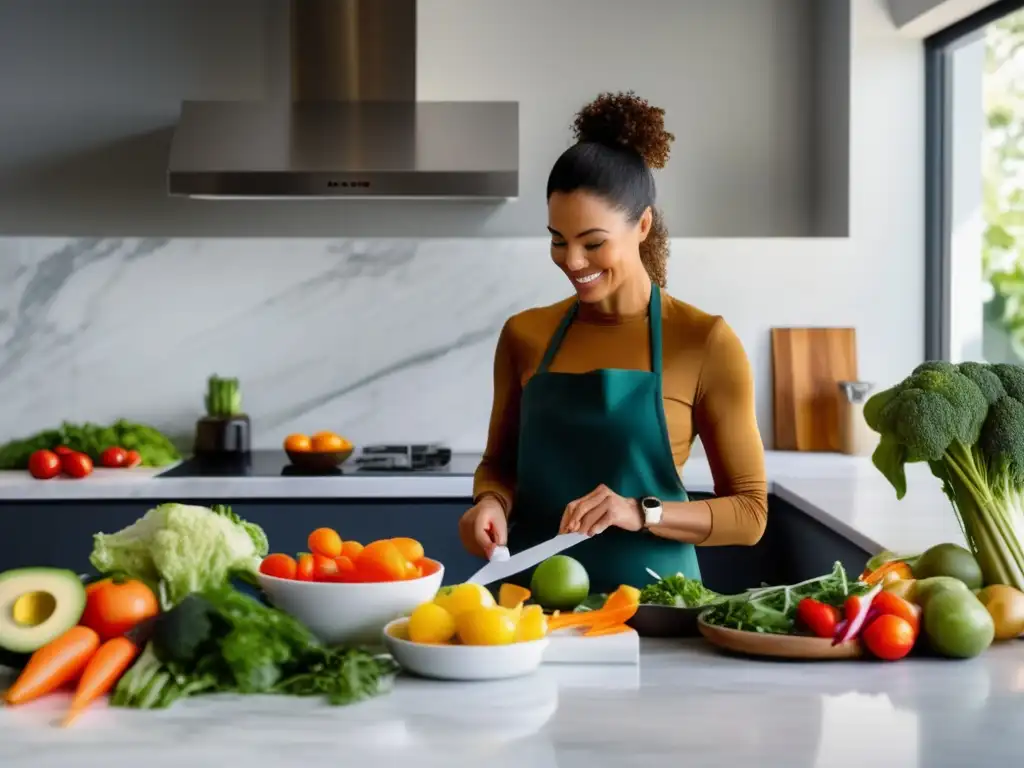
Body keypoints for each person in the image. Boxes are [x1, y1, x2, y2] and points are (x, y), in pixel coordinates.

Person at [459, 91, 768, 593]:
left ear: (642, 225)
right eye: (558, 240)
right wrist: (490, 502)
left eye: (593, 242)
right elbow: (499, 465)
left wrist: (640, 511)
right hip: (531, 611)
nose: (572, 261)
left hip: (657, 611)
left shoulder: (703, 341)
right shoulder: (525, 334)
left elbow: (750, 514)